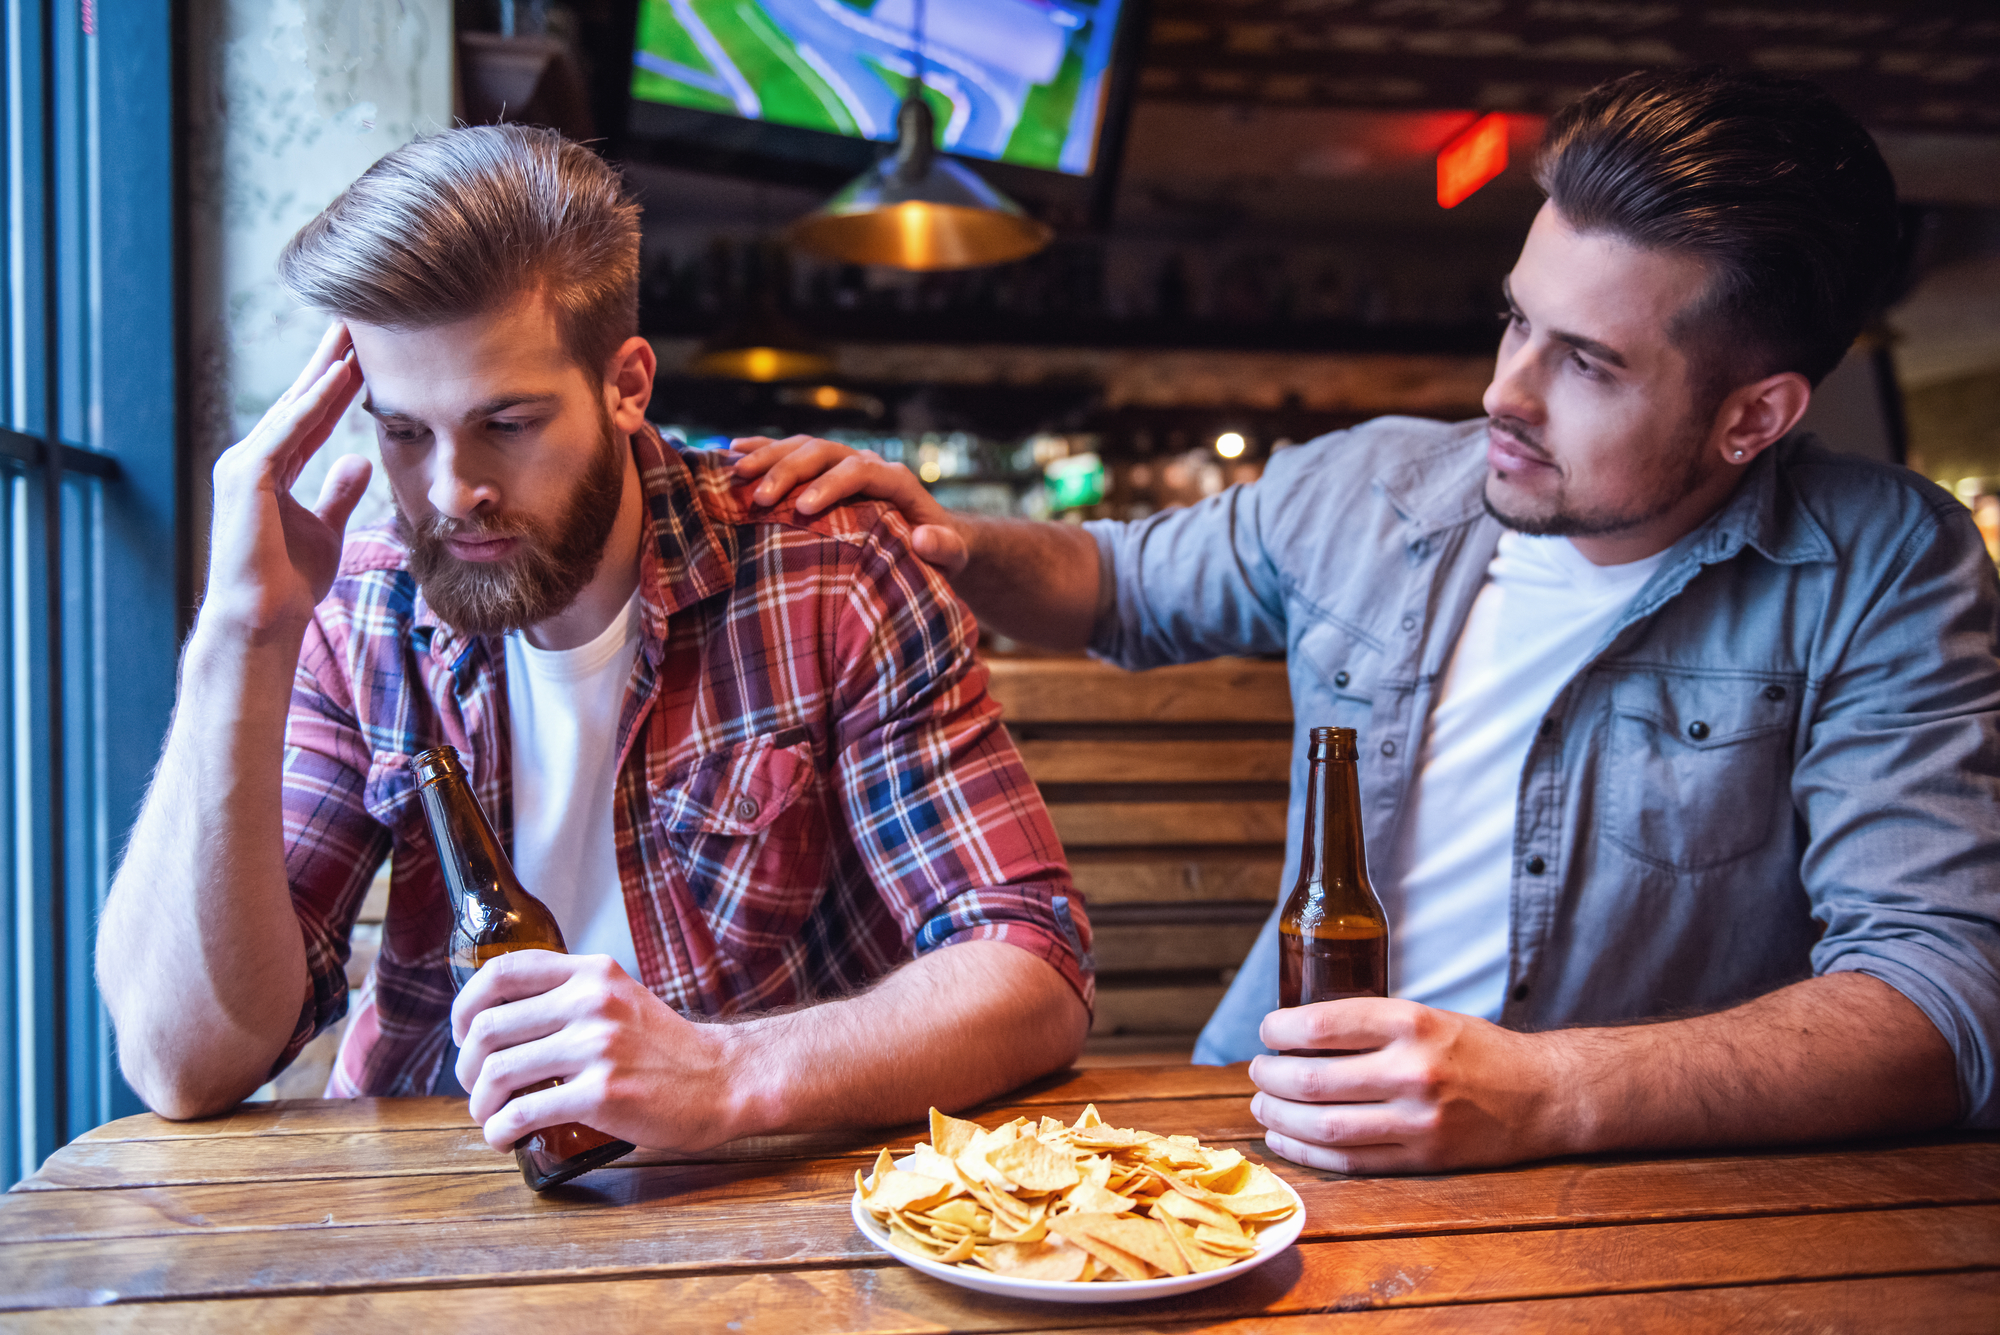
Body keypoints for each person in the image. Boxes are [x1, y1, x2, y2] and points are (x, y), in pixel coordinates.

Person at [733, 67, 2000, 1172]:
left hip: (1623, 1182)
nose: (1503, 392)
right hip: (1263, 1117)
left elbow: (1944, 1001)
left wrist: (1547, 1094)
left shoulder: (1881, 565)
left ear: (1753, 418)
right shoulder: (1374, 484)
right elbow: (1116, 582)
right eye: (1515, 319)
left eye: (1588, 362)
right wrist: (946, 536)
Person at [98, 126, 1092, 1157]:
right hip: (439, 1196)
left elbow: (1032, 963)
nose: (449, 492)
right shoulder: (359, 612)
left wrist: (724, 1074)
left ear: (626, 384)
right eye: (402, 433)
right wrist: (239, 638)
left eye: (508, 423)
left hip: (753, 1203)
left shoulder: (826, 569)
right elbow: (184, 1062)